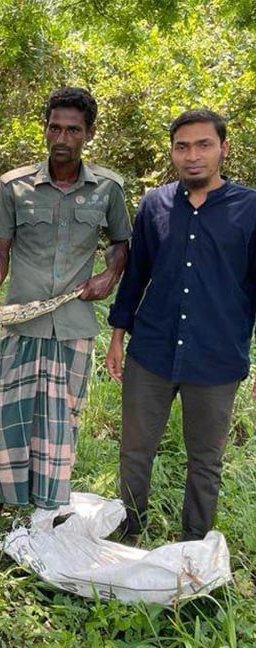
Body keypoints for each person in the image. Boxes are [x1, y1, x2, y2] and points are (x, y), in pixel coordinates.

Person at [0, 87, 131, 532]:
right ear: (46, 128)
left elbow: (120, 244)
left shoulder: (108, 189)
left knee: (59, 424)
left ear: (88, 134)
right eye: (55, 126)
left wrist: (109, 276)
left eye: (73, 129)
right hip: (23, 320)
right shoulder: (13, 185)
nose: (62, 137)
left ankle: (46, 512)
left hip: (74, 324)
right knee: (5, 416)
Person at [107, 109, 256, 542]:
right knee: (135, 450)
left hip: (217, 357)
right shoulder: (155, 203)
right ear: (172, 151)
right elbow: (136, 275)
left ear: (224, 149)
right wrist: (117, 335)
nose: (193, 156)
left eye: (204, 145)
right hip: (151, 351)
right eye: (182, 146)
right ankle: (128, 533)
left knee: (205, 460)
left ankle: (194, 547)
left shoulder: (249, 209)